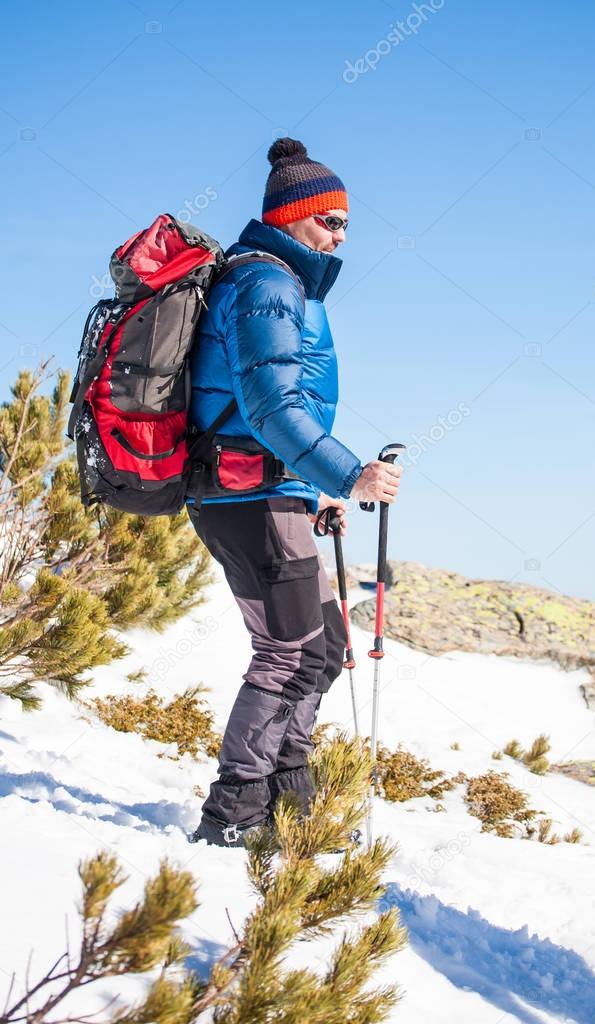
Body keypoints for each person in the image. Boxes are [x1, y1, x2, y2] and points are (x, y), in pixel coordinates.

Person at [186, 137, 402, 847]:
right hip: (242, 496)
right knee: (285, 652)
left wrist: (317, 490)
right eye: (328, 221)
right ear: (289, 215)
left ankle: (289, 801)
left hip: (271, 492)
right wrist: (349, 474)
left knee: (323, 645)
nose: (340, 236)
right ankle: (234, 814)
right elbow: (271, 406)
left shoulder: (281, 281)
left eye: (345, 224)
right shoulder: (266, 284)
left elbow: (277, 409)